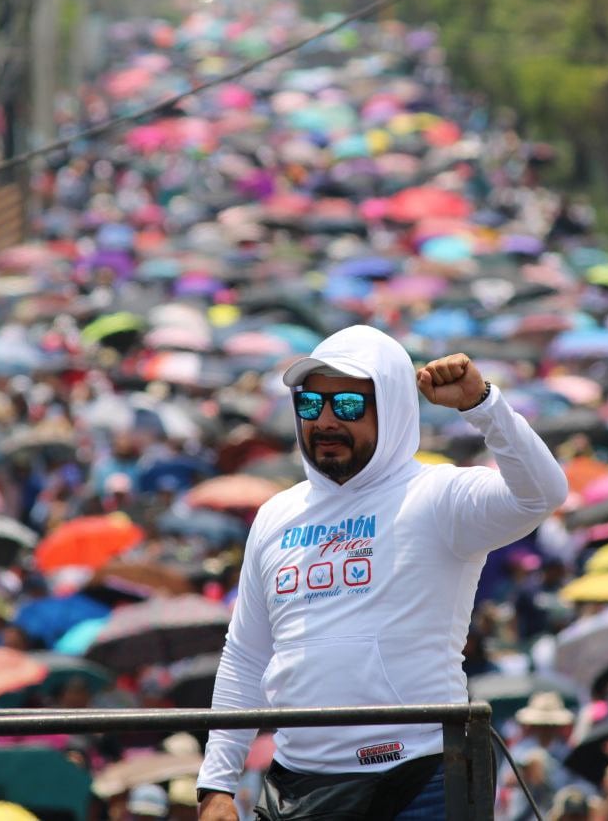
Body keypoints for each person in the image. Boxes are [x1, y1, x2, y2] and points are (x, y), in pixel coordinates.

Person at [196, 326, 568, 820]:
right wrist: (216, 785)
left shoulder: (436, 496)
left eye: (347, 405)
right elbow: (245, 657)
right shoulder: (275, 516)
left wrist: (483, 405)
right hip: (297, 786)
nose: (324, 421)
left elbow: (542, 494)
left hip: (421, 779)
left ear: (390, 407)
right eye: (311, 405)